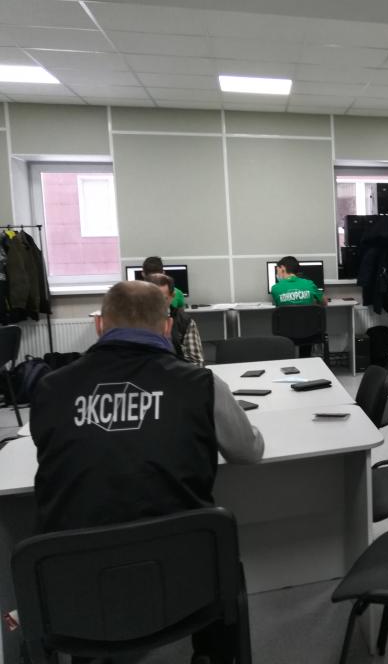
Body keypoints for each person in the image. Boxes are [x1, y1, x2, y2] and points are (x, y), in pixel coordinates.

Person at [31, 280, 264, 664]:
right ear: (168, 326)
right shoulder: (202, 385)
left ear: (100, 325)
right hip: (185, 579)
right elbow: (249, 452)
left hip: (76, 582)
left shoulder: (49, 388)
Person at [146, 272, 204, 366]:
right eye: (152, 299)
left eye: (162, 299)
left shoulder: (184, 321)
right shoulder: (131, 320)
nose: (156, 304)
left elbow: (195, 363)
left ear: (172, 297)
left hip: (174, 372)